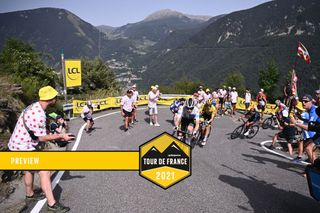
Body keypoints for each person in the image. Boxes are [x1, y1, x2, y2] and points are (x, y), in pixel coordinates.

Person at [8, 86, 75, 212]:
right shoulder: (39, 114)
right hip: (23, 147)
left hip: (15, 145)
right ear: (50, 99)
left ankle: (30, 195)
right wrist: (61, 135)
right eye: (55, 96)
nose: (56, 98)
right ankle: (52, 204)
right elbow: (42, 138)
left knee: (29, 169)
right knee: (45, 169)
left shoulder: (34, 106)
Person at [291, 95, 320, 164]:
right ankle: (314, 167)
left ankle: (314, 168)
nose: (303, 103)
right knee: (310, 148)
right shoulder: (310, 110)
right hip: (318, 131)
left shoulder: (313, 111)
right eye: (302, 101)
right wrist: (300, 118)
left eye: (306, 101)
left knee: (308, 148)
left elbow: (309, 128)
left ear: (311, 102)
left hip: (317, 131)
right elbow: (310, 122)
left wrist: (296, 123)